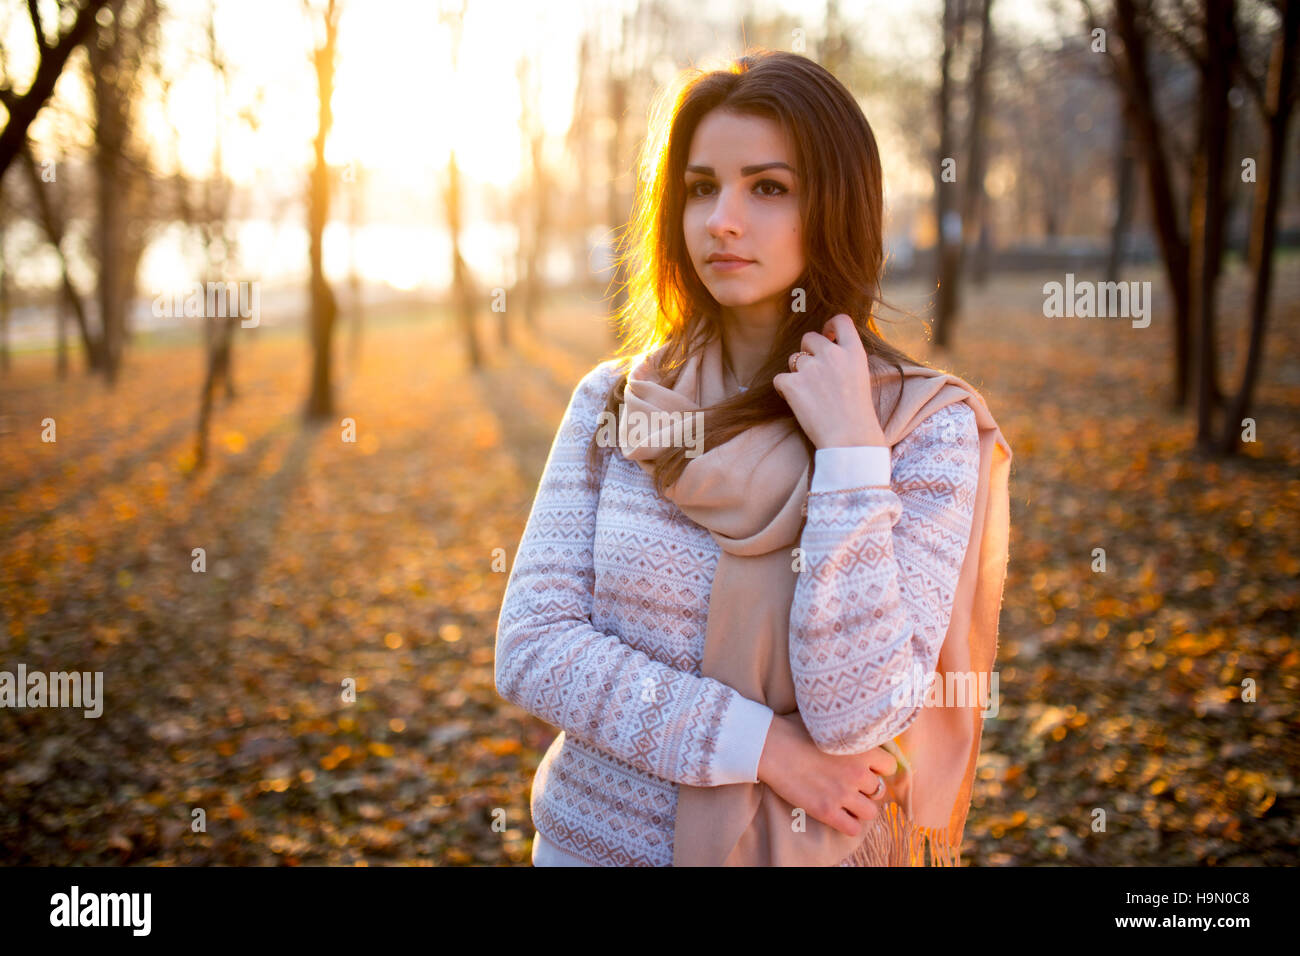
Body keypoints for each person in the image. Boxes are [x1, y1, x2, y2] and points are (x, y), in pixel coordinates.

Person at [494, 49, 1011, 867]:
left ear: (835, 205)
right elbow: (534, 649)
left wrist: (849, 456)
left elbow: (861, 712)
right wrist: (765, 747)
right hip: (590, 848)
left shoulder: (921, 428)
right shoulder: (614, 403)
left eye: (768, 187)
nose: (721, 220)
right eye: (702, 187)